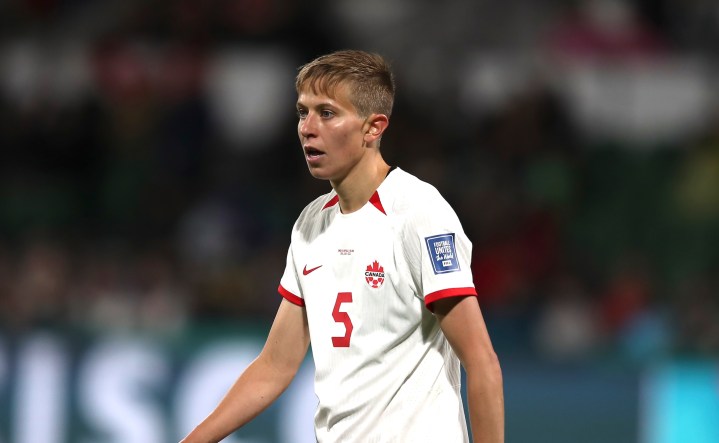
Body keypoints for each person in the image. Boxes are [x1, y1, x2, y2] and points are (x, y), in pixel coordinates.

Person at [180, 49, 504, 443]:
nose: (307, 128)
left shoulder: (419, 214)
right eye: (303, 112)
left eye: (327, 113)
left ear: (373, 128)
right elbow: (274, 366)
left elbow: (481, 361)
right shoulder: (310, 225)